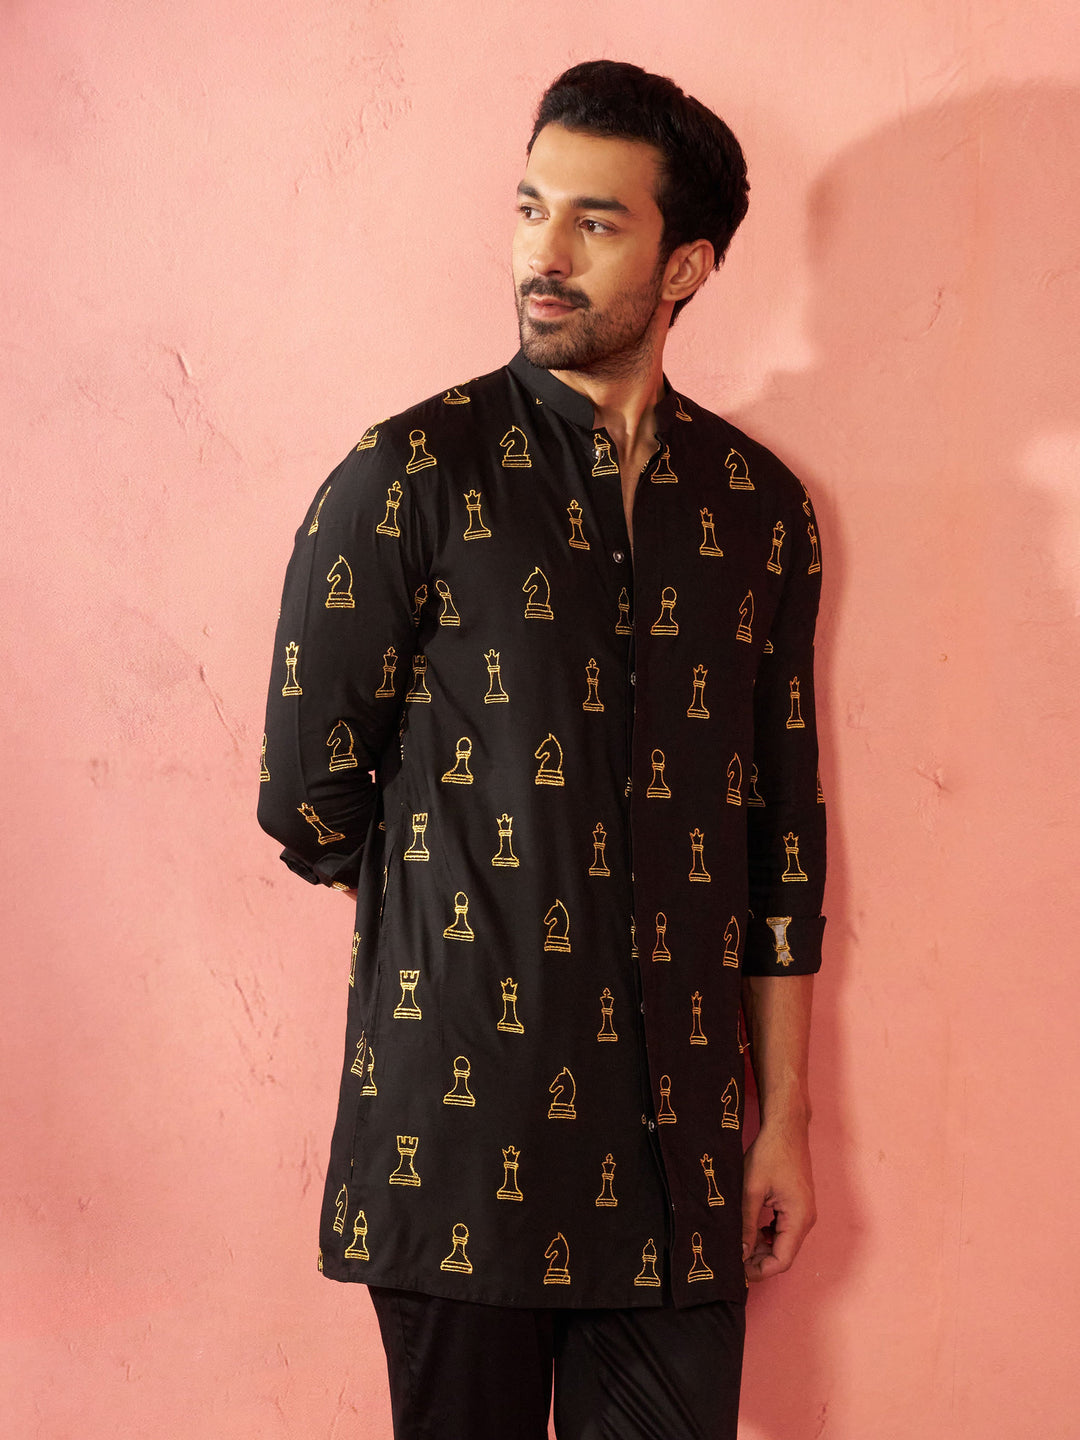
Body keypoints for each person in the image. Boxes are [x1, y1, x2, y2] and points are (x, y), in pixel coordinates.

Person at [258, 58, 826, 1440]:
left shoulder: (756, 509)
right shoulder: (410, 474)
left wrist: (783, 1121)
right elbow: (306, 798)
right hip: (460, 1144)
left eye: (596, 220)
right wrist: (480, 897)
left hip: (678, 1158)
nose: (544, 254)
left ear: (687, 264)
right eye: (530, 208)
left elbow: (778, 839)